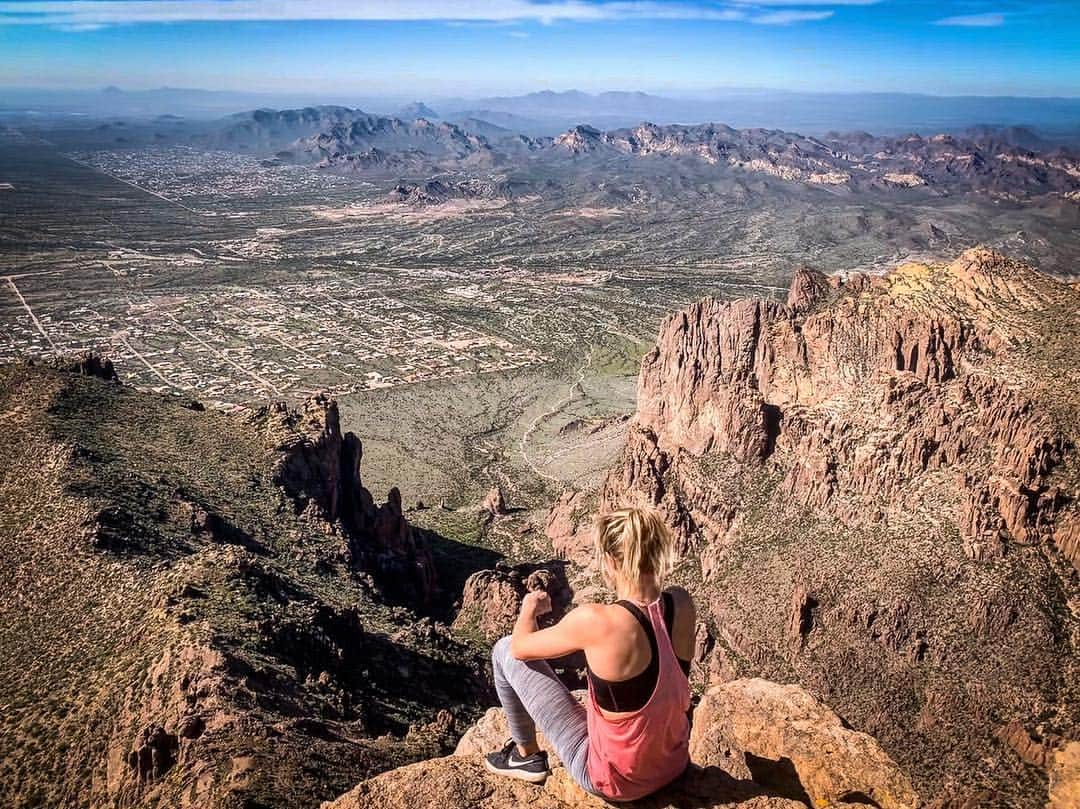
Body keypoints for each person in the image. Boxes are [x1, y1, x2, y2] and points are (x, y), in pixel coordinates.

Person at [484, 506, 695, 802]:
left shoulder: (598, 621)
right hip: (674, 764)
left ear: (610, 560)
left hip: (616, 782)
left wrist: (529, 608)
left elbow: (520, 648)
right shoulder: (682, 603)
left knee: (503, 649)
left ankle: (525, 756)